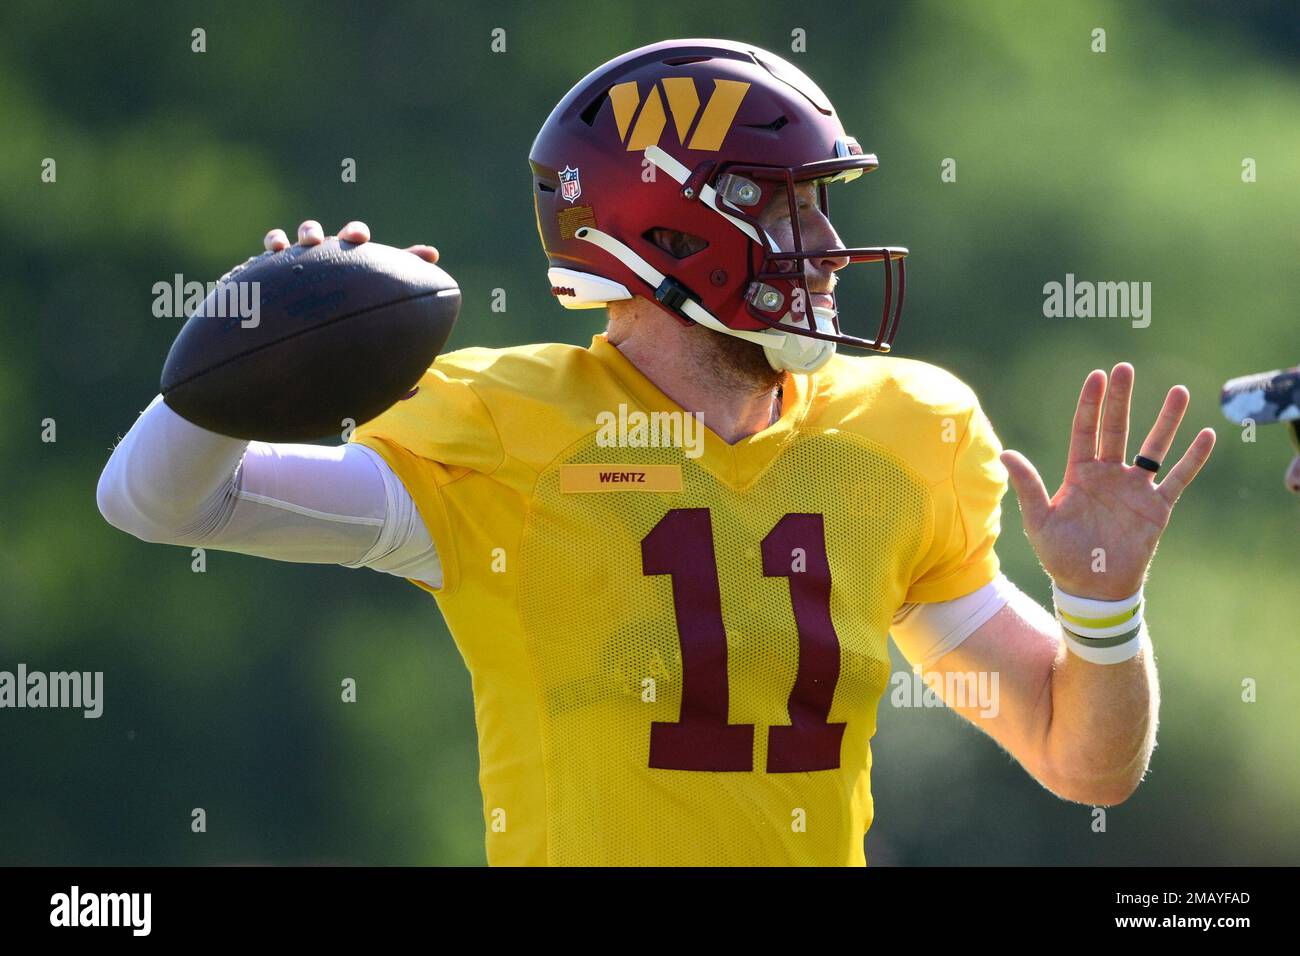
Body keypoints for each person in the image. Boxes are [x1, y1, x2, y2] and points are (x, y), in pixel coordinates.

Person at [97, 39, 1216, 866]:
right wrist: (241, 364)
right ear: (673, 228)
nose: (826, 250)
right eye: (789, 210)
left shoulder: (899, 433)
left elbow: (1084, 759)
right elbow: (160, 503)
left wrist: (1099, 604)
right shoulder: (505, 429)